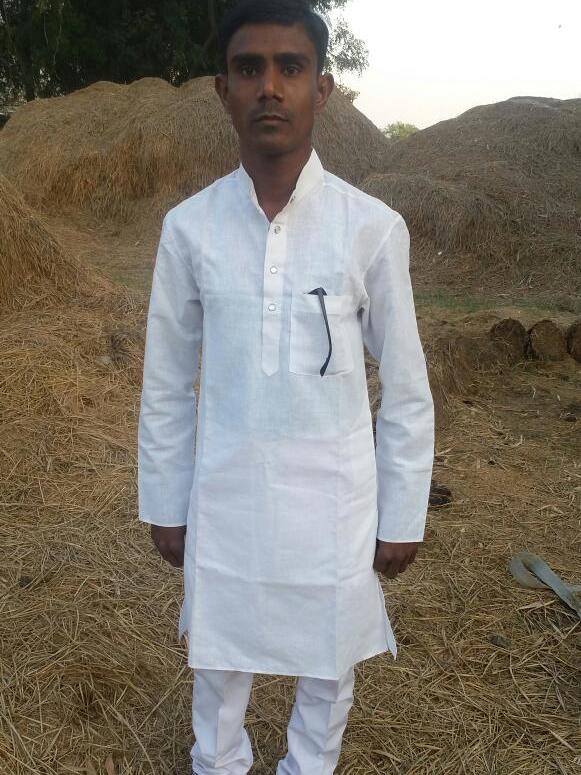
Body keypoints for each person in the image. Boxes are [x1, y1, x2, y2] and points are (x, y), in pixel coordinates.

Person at [137, 1, 435, 772]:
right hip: (226, 493)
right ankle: (217, 761)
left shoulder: (370, 228)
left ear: (321, 89)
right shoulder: (190, 228)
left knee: (329, 657)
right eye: (248, 69)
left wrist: (401, 510)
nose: (269, 87)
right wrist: (166, 501)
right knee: (218, 651)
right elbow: (166, 379)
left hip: (334, 500)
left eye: (290, 68)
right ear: (222, 90)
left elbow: (405, 386)